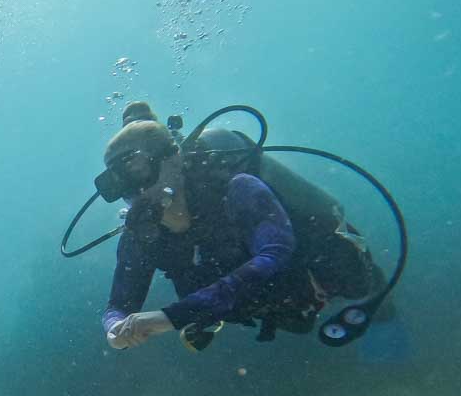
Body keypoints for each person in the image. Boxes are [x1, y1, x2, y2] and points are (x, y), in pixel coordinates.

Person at [100, 101, 382, 351]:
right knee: (296, 324)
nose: (134, 190)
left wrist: (173, 316)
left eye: (138, 170)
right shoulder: (141, 236)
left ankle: (386, 308)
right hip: (272, 306)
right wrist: (115, 329)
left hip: (320, 274)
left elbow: (275, 254)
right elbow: (118, 305)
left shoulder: (237, 189)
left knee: (362, 286)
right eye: (118, 181)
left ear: (174, 158)